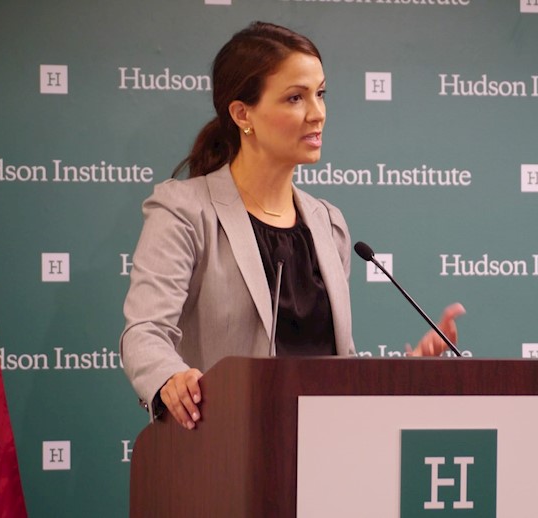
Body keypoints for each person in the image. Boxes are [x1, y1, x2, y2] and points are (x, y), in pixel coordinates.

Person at [120, 21, 465, 431]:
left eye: (320, 94)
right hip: (226, 448)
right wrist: (170, 379)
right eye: (295, 98)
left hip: (325, 448)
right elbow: (144, 333)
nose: (317, 113)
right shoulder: (185, 210)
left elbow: (336, 370)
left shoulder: (328, 223)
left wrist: (408, 369)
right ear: (242, 114)